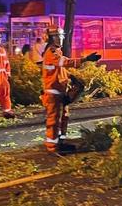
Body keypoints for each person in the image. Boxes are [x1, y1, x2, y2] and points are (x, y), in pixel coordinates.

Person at [41, 25, 100, 153]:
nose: (60, 38)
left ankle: (61, 142)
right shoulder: (51, 52)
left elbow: (60, 71)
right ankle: (52, 147)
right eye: (57, 36)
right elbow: (65, 63)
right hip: (53, 91)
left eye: (61, 36)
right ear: (51, 38)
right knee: (54, 119)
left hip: (60, 90)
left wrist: (71, 77)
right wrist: (85, 59)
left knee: (64, 117)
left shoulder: (57, 52)